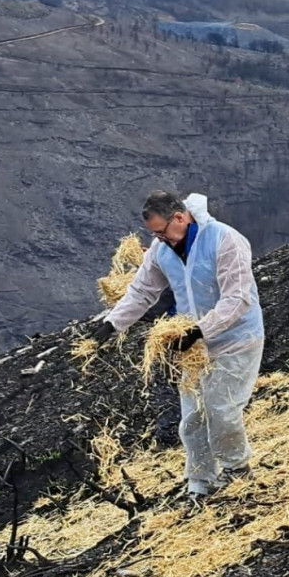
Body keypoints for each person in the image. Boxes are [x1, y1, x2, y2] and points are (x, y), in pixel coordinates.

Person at [90, 191, 263, 503]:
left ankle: (237, 472)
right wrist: (113, 323)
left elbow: (237, 299)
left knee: (221, 409)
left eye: (161, 231)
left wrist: (200, 329)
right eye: (153, 233)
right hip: (193, 346)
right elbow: (142, 291)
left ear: (180, 218)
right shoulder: (161, 249)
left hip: (236, 338)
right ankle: (200, 481)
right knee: (193, 416)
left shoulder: (225, 240)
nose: (158, 239)